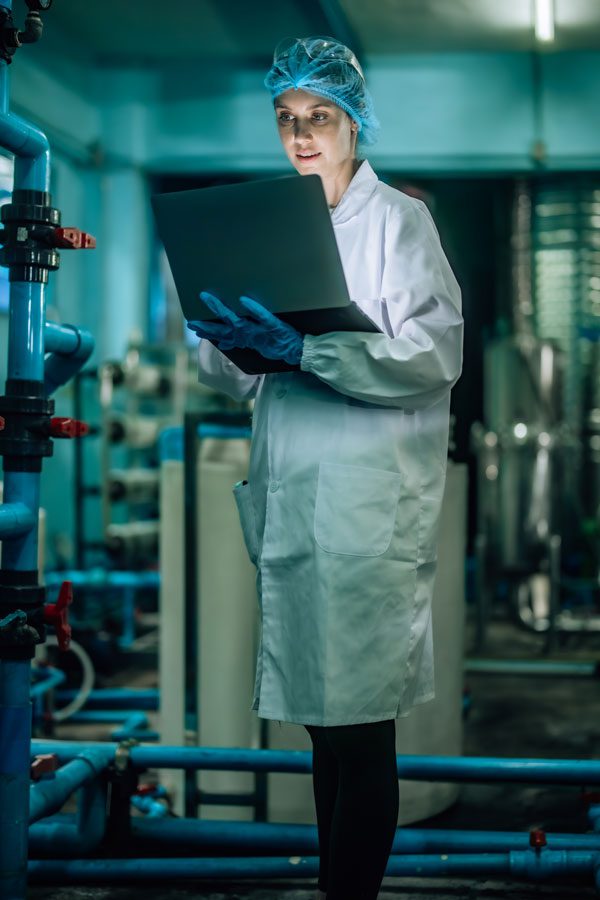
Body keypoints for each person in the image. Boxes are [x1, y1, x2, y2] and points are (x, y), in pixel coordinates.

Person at [188, 35, 463, 900]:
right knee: (320, 727)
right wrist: (234, 343)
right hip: (294, 507)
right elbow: (230, 376)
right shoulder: (273, 225)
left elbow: (434, 352)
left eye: (319, 118)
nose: (301, 135)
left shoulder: (398, 222)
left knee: (359, 734)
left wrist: (313, 351)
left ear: (352, 123)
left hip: (364, 513)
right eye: (286, 120)